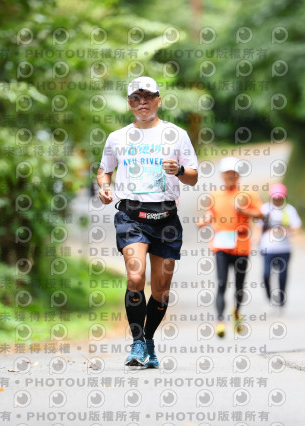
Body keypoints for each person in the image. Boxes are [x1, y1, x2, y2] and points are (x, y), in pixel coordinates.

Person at [96, 76, 198, 368]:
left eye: (148, 96)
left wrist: (179, 170)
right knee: (136, 277)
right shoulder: (117, 138)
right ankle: (137, 342)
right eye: (135, 98)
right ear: (129, 104)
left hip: (166, 219)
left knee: (161, 290)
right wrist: (104, 187)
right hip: (131, 217)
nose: (142, 102)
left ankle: (149, 339)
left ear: (158, 100)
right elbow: (104, 170)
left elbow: (193, 177)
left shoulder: (176, 134)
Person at [197, 157, 262, 337]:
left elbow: (261, 214)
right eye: (227, 174)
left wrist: (244, 210)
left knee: (239, 285)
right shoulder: (215, 195)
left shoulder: (248, 194)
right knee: (221, 283)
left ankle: (237, 312)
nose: (230, 177)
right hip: (221, 246)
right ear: (222, 175)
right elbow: (210, 213)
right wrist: (203, 221)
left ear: (238, 175)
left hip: (241, 246)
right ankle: (219, 321)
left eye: (233, 174)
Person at [259, 183, 302, 307]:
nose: (277, 200)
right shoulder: (265, 209)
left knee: (282, 276)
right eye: (275, 197)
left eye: (279, 197)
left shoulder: (289, 210)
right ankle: (269, 297)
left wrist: (286, 231)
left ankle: (281, 299)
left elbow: (297, 227)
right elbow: (258, 226)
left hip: (284, 248)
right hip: (268, 248)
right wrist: (258, 239)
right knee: (266, 274)